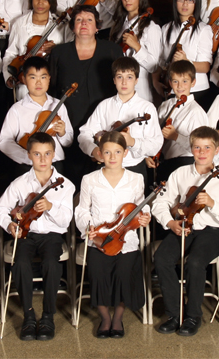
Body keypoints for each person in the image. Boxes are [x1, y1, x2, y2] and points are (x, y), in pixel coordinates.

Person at [151, 126, 219, 336]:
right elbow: (161, 202)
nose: (202, 152)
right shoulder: (180, 174)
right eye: (197, 147)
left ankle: (192, 316)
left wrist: (212, 203)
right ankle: (174, 314)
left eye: (207, 147)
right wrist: (169, 223)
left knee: (195, 262)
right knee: (162, 258)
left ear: (217, 150)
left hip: (213, 232)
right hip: (183, 226)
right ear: (191, 149)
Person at [0, 132, 75, 341]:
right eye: (37, 154)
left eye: (47, 154)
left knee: (51, 263)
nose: (42, 159)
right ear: (29, 155)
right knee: (20, 263)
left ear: (54, 154)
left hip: (52, 235)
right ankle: (29, 315)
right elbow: (1, 209)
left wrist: (50, 206)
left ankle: (48, 316)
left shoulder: (65, 185)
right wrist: (10, 226)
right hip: (26, 234)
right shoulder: (20, 183)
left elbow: (66, 221)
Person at [74, 131, 150, 339]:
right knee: (98, 273)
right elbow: (82, 210)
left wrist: (145, 217)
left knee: (124, 274)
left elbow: (142, 207)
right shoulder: (90, 179)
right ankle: (105, 318)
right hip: (99, 238)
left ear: (125, 153)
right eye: (107, 152)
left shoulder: (136, 178)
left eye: (117, 152)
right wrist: (88, 228)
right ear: (100, 153)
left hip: (126, 239)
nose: (112, 156)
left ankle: (117, 318)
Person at [49, 5, 123, 185]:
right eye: (79, 20)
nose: (84, 24)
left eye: (89, 20)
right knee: (71, 175)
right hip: (68, 122)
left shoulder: (112, 50)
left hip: (103, 122)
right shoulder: (59, 52)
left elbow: (121, 86)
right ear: (73, 26)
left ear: (97, 26)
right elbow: (51, 90)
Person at [78, 57, 162, 190]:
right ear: (114, 80)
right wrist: (93, 150)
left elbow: (156, 144)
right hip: (105, 168)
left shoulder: (147, 108)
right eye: (119, 77)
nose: (124, 82)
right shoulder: (104, 105)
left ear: (136, 80)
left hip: (134, 168)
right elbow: (84, 133)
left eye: (129, 77)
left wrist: (132, 142)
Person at [0, 57, 73, 178]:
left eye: (43, 77)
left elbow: (68, 142)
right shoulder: (17, 109)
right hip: (27, 167)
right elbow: (4, 141)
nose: (38, 82)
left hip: (55, 163)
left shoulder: (59, 105)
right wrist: (27, 157)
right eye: (33, 77)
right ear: (24, 79)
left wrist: (62, 133)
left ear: (49, 78)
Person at [2, 0, 71, 100]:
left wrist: (56, 50)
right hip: (25, 82)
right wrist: (9, 76)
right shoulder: (19, 24)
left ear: (52, 1)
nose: (40, 3)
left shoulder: (62, 25)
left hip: (53, 80)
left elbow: (70, 52)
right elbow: (10, 53)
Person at [146, 60, 209, 183]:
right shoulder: (165, 106)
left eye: (185, 81)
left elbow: (199, 147)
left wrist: (175, 136)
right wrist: (149, 155)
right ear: (170, 82)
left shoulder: (196, 112)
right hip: (164, 162)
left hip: (185, 163)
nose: (180, 86)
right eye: (175, 81)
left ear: (193, 82)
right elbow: (153, 133)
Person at [157, 0, 214, 109]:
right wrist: (156, 82)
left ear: (196, 3)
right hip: (172, 88)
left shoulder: (203, 29)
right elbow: (161, 62)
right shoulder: (166, 28)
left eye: (190, 0)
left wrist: (186, 61)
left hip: (197, 90)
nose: (185, 4)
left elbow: (205, 66)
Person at [109, 0, 162, 103]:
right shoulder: (118, 25)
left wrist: (136, 47)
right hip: (117, 86)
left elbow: (154, 66)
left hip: (140, 89)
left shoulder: (151, 27)